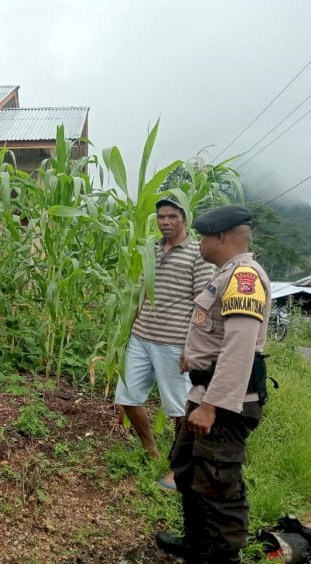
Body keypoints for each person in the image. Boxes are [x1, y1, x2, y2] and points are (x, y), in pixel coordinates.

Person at [156, 205, 272, 563]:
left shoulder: (243, 279)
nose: (201, 242)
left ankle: (222, 558)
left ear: (220, 237)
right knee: (189, 470)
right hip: (204, 391)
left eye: (205, 236)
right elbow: (217, 331)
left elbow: (239, 349)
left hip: (224, 403)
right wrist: (193, 356)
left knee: (219, 483)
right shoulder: (224, 274)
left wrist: (212, 405)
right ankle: (196, 546)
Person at [115, 196, 215, 488]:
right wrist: (129, 329)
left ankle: (179, 465)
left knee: (179, 409)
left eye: (172, 217)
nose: (166, 222)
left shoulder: (198, 253)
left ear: (185, 218)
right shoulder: (152, 251)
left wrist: (192, 346)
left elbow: (203, 304)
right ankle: (151, 451)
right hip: (141, 336)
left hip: (174, 342)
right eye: (161, 217)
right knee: (127, 396)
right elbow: (142, 293)